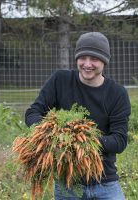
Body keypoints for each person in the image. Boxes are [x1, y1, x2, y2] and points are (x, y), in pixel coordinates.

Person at [25, 32, 131, 200]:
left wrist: (81, 140)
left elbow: (119, 141)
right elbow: (33, 113)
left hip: (105, 182)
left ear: (104, 61)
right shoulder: (60, 80)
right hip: (68, 183)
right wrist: (52, 133)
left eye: (94, 59)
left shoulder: (117, 94)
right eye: (83, 58)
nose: (87, 64)